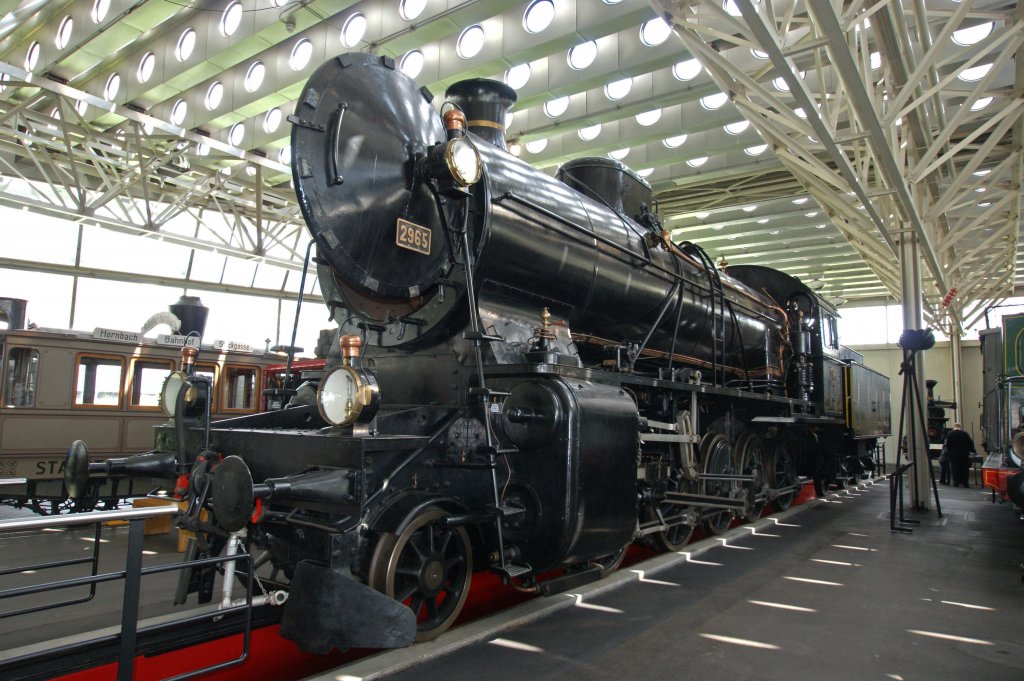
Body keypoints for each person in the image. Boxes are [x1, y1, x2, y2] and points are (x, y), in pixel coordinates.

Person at [942, 423, 976, 487]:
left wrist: (949, 453)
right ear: (960, 427)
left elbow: (948, 445)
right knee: (964, 468)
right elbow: (970, 443)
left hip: (953, 454)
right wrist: (973, 451)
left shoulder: (950, 434)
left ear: (954, 427)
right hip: (964, 454)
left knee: (955, 468)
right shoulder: (965, 433)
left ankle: (956, 482)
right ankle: (965, 483)